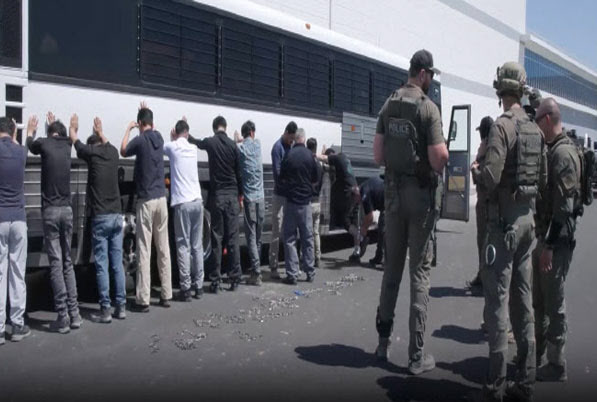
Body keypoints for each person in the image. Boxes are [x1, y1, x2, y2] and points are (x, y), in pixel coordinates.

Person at [472, 62, 547, 401]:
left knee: (497, 302)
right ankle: (526, 381)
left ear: (500, 89)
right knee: (523, 300)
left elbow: (490, 178)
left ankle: (496, 385)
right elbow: (542, 179)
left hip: (502, 225)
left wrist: (476, 172)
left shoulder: (501, 127)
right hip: (527, 223)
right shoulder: (535, 129)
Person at [372, 49, 448, 375]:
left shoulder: (388, 104)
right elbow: (439, 158)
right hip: (420, 200)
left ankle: (382, 344)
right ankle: (416, 356)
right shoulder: (428, 108)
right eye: (431, 76)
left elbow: (378, 156)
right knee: (419, 273)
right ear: (424, 74)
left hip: (393, 198)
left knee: (391, 270)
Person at [533, 98, 581, 383]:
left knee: (554, 302)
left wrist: (549, 247)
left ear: (548, 120)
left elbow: (563, 207)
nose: (537, 126)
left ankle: (557, 363)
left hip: (557, 242)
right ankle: (539, 353)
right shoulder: (553, 149)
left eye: (538, 120)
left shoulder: (563, 154)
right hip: (548, 237)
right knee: (541, 299)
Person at [27, 112, 82, 334]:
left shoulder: (44, 143)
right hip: (67, 211)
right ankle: (75, 314)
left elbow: (31, 145)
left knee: (56, 264)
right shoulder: (67, 145)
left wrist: (30, 131)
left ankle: (63, 317)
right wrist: (67, 127)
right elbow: (67, 136)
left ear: (49, 133)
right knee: (68, 262)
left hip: (50, 211)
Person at [71, 116, 126, 323]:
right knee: (117, 264)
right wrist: (100, 130)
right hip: (117, 216)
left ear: (92, 146)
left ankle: (105, 310)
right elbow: (108, 143)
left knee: (102, 264)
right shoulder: (112, 153)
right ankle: (121, 307)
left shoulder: (92, 156)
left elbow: (77, 143)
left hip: (101, 217)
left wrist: (72, 128)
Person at [121, 102, 172, 311]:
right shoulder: (159, 138)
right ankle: (166, 295)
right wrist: (145, 113)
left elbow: (123, 150)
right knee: (163, 248)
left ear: (140, 124)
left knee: (144, 249)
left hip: (146, 200)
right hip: (161, 199)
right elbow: (151, 126)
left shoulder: (140, 140)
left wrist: (128, 128)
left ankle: (143, 299)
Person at [189, 116, 242, 293]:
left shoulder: (211, 142)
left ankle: (216, 280)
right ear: (225, 127)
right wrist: (240, 196)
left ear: (214, 128)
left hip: (218, 196)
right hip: (232, 196)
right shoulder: (233, 146)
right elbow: (239, 173)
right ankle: (234, 278)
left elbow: (196, 142)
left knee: (217, 238)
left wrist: (186, 131)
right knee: (233, 238)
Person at [164, 119, 204, 301]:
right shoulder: (193, 149)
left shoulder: (172, 147)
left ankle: (185, 287)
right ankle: (199, 286)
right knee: (197, 245)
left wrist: (172, 138)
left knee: (183, 245)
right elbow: (189, 139)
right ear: (187, 133)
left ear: (175, 132)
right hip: (197, 201)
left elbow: (160, 148)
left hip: (182, 202)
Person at [0, 117, 30, 344]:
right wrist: (21, 133)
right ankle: (17, 324)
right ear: (12, 132)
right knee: (17, 272)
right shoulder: (20, 153)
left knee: (0, 274)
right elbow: (21, 144)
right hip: (18, 219)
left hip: (0, 218)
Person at [278, 129, 319, 285]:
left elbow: (281, 178)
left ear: (295, 139)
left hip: (291, 203)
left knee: (290, 239)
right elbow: (315, 179)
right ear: (304, 139)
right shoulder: (310, 156)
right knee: (307, 238)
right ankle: (310, 271)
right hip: (305, 203)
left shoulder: (288, 155)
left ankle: (292, 274)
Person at [316, 148, 360, 261]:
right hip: (355, 191)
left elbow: (324, 158)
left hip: (348, 193)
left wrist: (311, 154)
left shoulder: (337, 158)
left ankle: (360, 236)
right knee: (354, 221)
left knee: (344, 221)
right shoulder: (345, 160)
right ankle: (357, 250)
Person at [235, 121, 265, 286]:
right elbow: (251, 140)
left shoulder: (241, 149)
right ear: (253, 132)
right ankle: (256, 269)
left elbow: (237, 147)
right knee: (258, 237)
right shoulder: (258, 145)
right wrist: (243, 139)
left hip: (249, 199)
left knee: (251, 237)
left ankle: (256, 271)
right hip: (261, 198)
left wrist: (237, 140)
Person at [468, 116, 494, 290]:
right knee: (485, 241)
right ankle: (483, 274)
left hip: (486, 203)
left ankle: (485, 277)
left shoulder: (488, 150)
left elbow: (483, 177)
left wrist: (474, 169)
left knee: (484, 241)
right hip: (487, 202)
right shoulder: (493, 147)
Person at [269, 122, 297, 279]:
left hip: (288, 195)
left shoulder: (290, 147)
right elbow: (277, 174)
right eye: (290, 138)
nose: (291, 141)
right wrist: (290, 183)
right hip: (280, 195)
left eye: (293, 139)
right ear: (286, 132)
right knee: (276, 230)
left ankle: (289, 265)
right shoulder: (277, 148)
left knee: (289, 231)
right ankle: (273, 264)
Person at [356, 176, 385, 268]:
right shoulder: (364, 187)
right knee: (381, 230)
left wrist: (363, 231)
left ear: (356, 195)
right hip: (385, 202)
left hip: (389, 202)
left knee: (385, 232)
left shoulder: (364, 193)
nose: (358, 203)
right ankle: (379, 257)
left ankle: (386, 261)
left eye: (356, 201)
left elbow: (369, 217)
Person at [307, 137, 324, 268]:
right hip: (317, 201)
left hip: (309, 201)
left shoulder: (308, 164)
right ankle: (318, 258)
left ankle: (307, 258)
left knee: (307, 233)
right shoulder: (319, 165)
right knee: (316, 232)